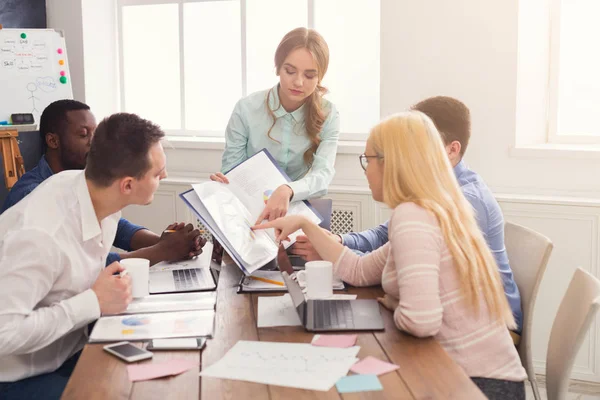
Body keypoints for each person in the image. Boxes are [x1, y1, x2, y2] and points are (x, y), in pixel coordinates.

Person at [254, 112, 527, 400]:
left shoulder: (415, 217)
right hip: (467, 374)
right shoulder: (429, 208)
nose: (365, 169)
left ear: (390, 163)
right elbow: (358, 270)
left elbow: (421, 321)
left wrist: (395, 301)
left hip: (477, 385)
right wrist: (306, 225)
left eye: (367, 159)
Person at [290, 96, 523, 337]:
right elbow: (384, 244)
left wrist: (396, 301)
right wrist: (336, 244)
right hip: (451, 323)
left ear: (452, 149)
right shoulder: (423, 200)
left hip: (489, 329)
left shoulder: (462, 201)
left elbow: (405, 273)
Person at [0, 113, 169, 399]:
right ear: (127, 185)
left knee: (158, 377)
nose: (164, 176)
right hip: (20, 377)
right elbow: (4, 334)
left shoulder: (94, 191)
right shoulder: (41, 237)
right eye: (157, 173)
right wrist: (93, 301)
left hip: (73, 348)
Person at [2, 100, 204, 266]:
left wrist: (168, 242)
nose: (93, 141)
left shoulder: (84, 181)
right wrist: (162, 250)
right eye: (83, 134)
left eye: (95, 133)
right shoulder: (34, 197)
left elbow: (118, 228)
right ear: (53, 141)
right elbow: (87, 265)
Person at [210, 27, 340, 224]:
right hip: (249, 213)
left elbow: (322, 175)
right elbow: (232, 169)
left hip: (300, 214)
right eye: (290, 71)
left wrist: (288, 190)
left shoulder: (329, 114)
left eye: (310, 75)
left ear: (320, 77)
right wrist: (225, 182)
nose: (298, 82)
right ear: (278, 67)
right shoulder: (246, 109)